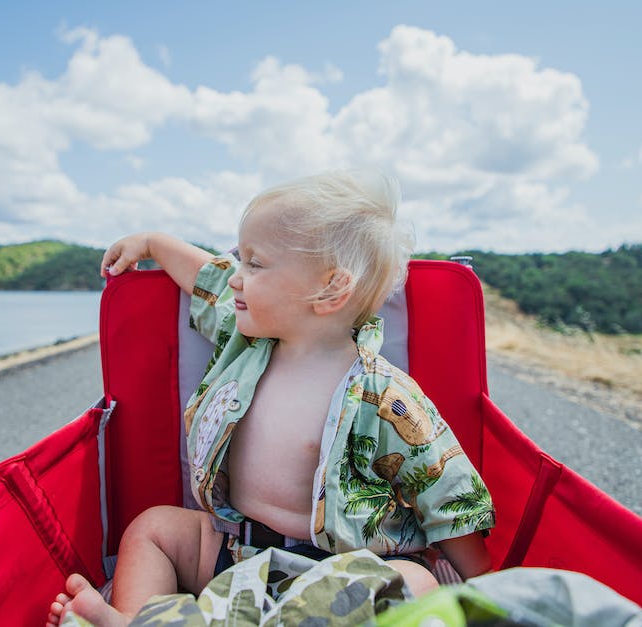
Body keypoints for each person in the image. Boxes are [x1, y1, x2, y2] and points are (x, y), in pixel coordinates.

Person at [48, 170, 495, 627]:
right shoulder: (243, 344)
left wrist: (489, 588)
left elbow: (445, 493)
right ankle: (133, 618)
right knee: (152, 528)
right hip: (234, 550)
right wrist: (153, 242)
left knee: (412, 581)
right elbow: (211, 280)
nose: (237, 279)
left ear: (329, 289)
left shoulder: (382, 393)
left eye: (254, 265)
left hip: (340, 570)